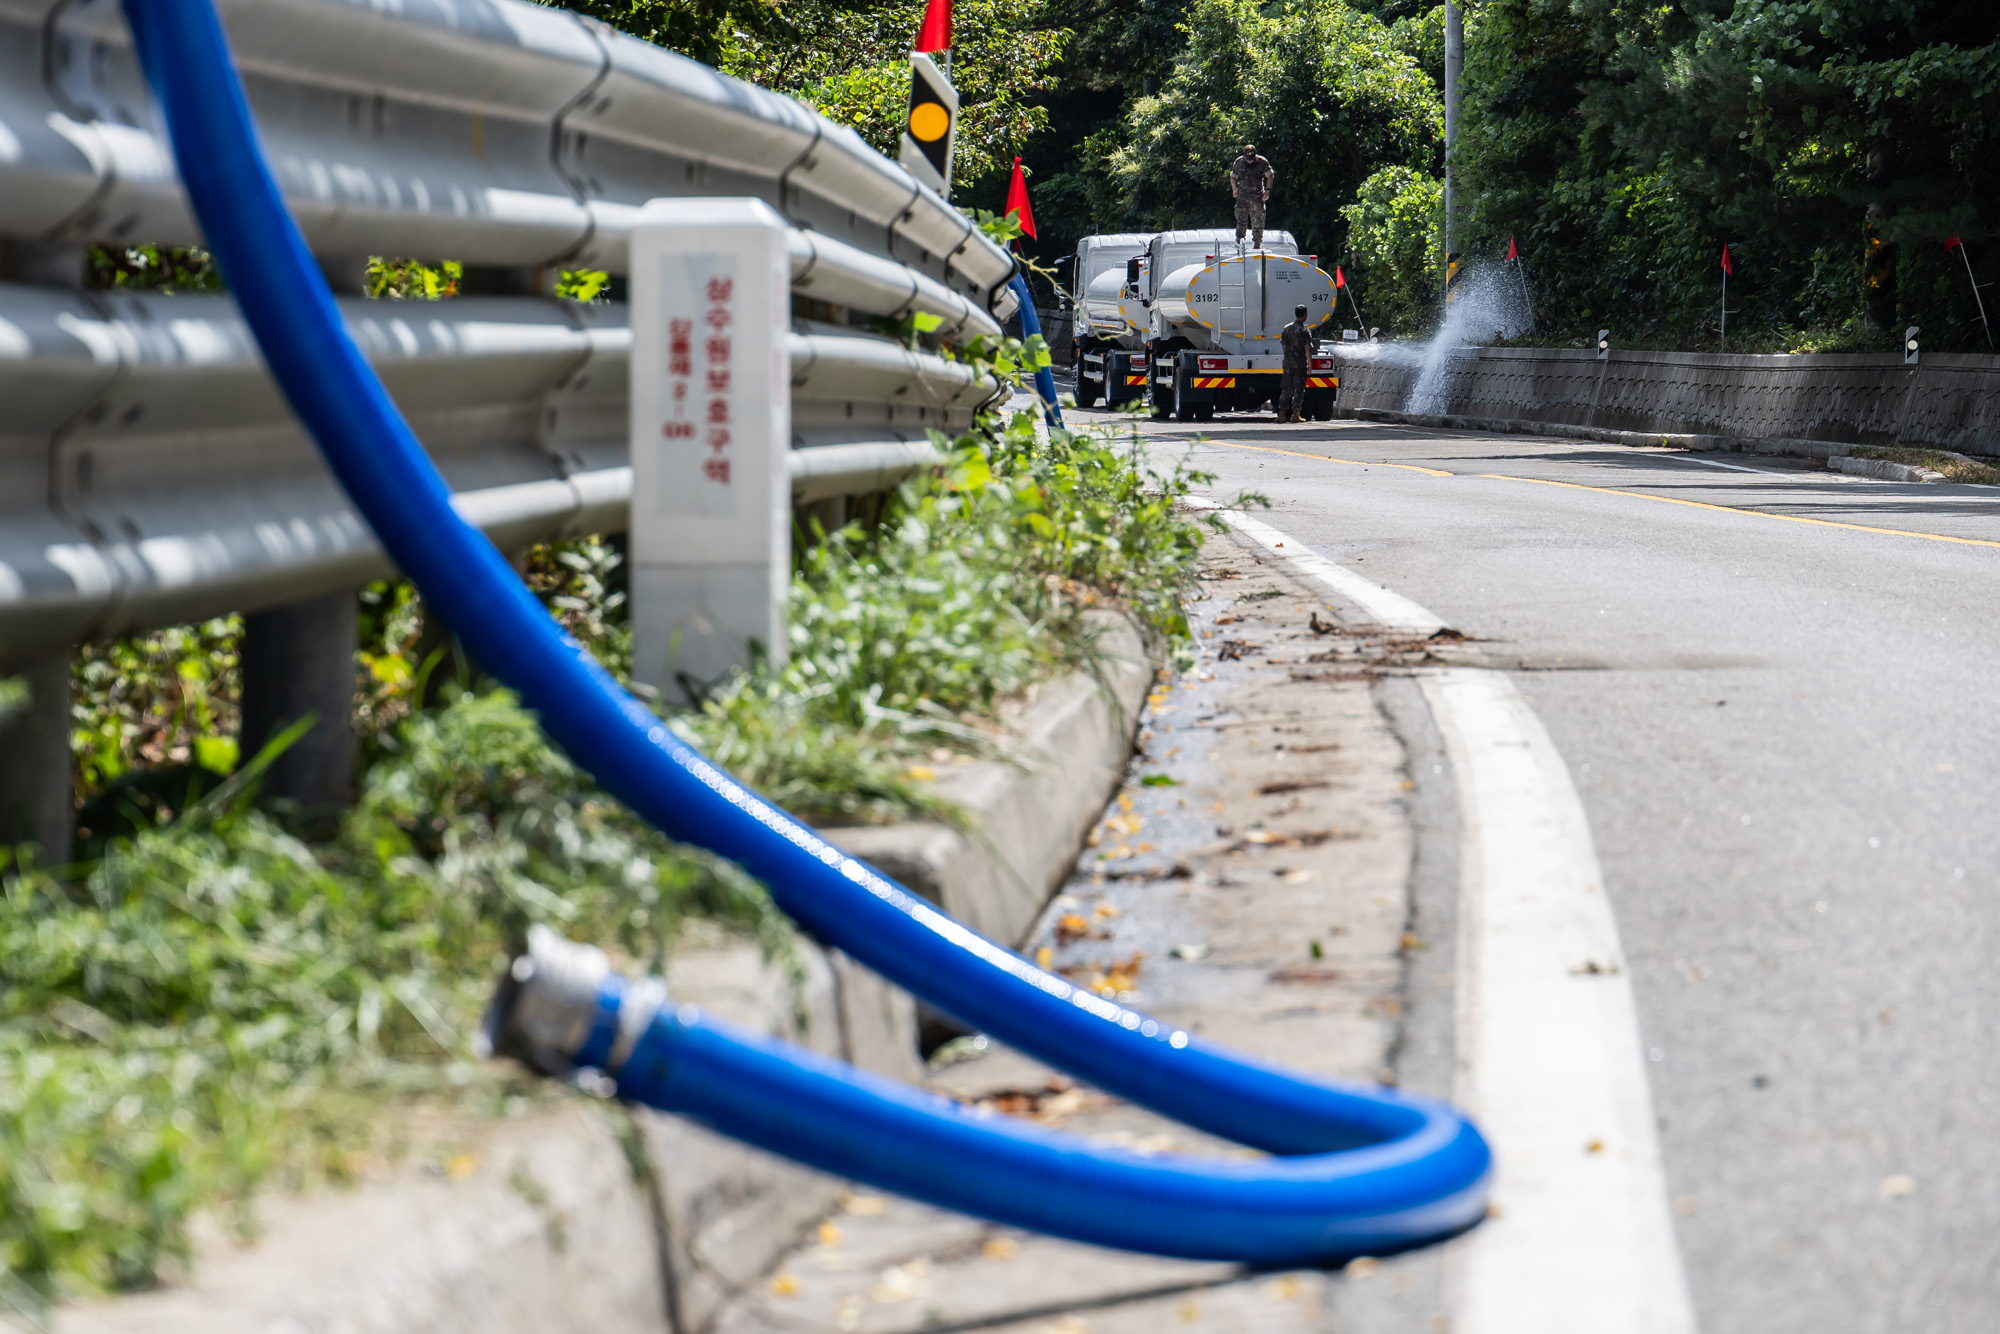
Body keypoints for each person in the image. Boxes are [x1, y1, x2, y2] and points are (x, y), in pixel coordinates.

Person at [1229, 143, 1274, 249]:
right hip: (1242, 195)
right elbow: (1233, 177)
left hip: (1257, 195)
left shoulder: (1262, 162)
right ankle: (1239, 241)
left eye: (1251, 159)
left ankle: (1257, 242)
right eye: (1248, 159)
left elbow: (1270, 175)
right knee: (1241, 219)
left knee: (1258, 219)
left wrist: (1267, 191)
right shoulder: (1239, 162)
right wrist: (1234, 188)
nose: (1250, 161)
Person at [1279, 303, 1315, 422]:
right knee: (1299, 389)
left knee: (1286, 388)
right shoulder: (1304, 331)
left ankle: (1282, 414)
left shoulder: (1286, 328)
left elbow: (1283, 345)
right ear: (1305, 315)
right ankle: (1295, 414)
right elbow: (1307, 350)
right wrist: (1310, 365)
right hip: (1299, 364)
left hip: (1287, 363)